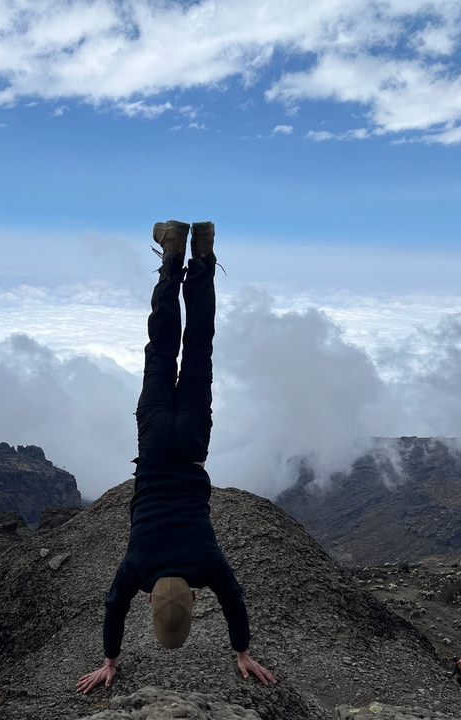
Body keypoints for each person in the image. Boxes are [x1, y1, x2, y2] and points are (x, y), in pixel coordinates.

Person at [76, 220, 276, 694]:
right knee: (162, 350)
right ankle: (171, 254)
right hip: (151, 441)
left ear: (190, 595)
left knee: (198, 348)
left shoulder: (207, 564)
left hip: (190, 445)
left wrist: (242, 651)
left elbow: (234, 601)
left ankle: (202, 254)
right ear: (156, 599)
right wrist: (109, 660)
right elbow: (113, 607)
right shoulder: (138, 567)